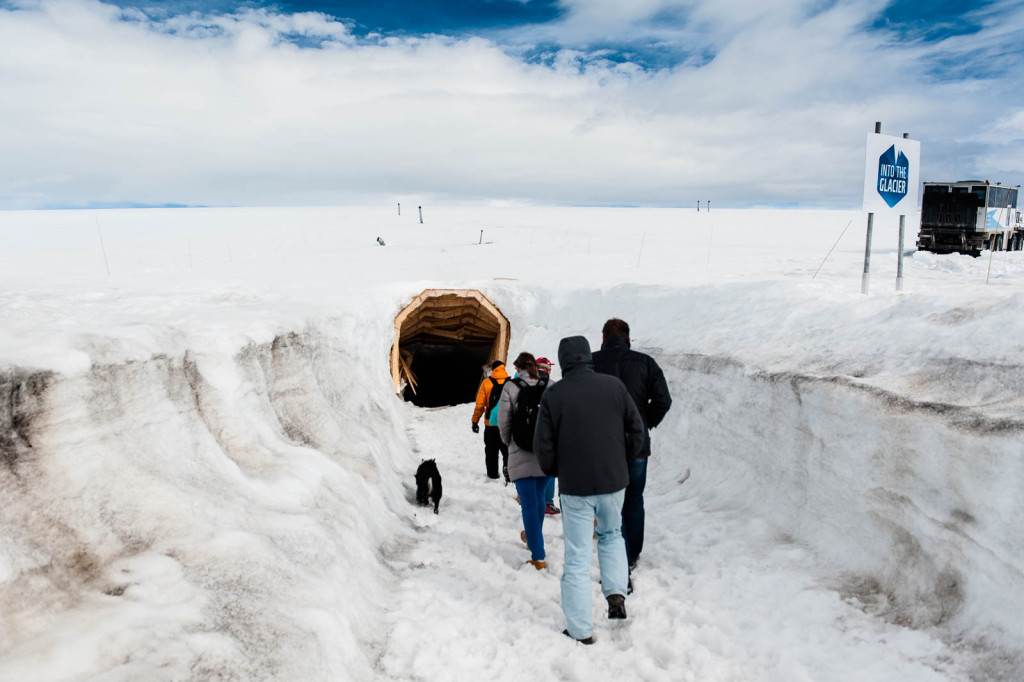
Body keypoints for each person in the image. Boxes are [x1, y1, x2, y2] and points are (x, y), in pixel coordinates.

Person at [535, 336, 645, 644]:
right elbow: (637, 430)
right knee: (612, 535)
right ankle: (616, 595)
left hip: (576, 488)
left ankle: (581, 630)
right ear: (587, 357)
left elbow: (542, 446)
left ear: (564, 360)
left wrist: (557, 470)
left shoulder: (554, 395)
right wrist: (623, 462)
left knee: (578, 556)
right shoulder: (614, 387)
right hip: (613, 482)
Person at [591, 318, 672, 576]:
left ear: (603, 339)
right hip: (637, 445)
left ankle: (611, 548)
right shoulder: (646, 363)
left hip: (602, 444)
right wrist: (644, 422)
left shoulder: (590, 363)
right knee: (634, 500)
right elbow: (663, 400)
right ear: (628, 339)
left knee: (606, 499)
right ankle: (632, 553)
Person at [498, 352, 551, 570]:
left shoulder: (510, 387)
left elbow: (503, 421)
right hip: (545, 453)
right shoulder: (550, 387)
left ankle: (538, 556)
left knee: (528, 503)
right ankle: (532, 537)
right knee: (539, 498)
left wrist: (510, 442)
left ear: (518, 367)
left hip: (520, 450)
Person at [471, 360, 510, 480]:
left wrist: (475, 421)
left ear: (493, 369)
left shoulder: (487, 383)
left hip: (491, 425)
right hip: (507, 424)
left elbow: (480, 405)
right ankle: (509, 472)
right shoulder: (511, 383)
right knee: (508, 451)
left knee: (491, 452)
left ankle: (492, 476)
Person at [536, 357, 560, 516]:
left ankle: (528, 497)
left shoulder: (524, 383)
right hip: (548, 433)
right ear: (548, 370)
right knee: (549, 469)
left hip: (527, 433)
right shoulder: (554, 386)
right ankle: (547, 503)